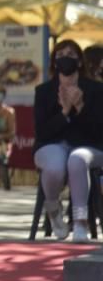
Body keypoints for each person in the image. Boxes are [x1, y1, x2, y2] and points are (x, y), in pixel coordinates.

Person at [34, 40, 103, 243]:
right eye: (60, 54)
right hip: (52, 145)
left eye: (71, 54)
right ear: (54, 62)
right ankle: (54, 209)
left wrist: (80, 106)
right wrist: (64, 112)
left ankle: (81, 222)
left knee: (77, 159)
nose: (66, 58)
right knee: (55, 165)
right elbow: (43, 133)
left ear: (80, 61)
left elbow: (98, 133)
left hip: (89, 147)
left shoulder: (95, 90)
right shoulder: (44, 91)